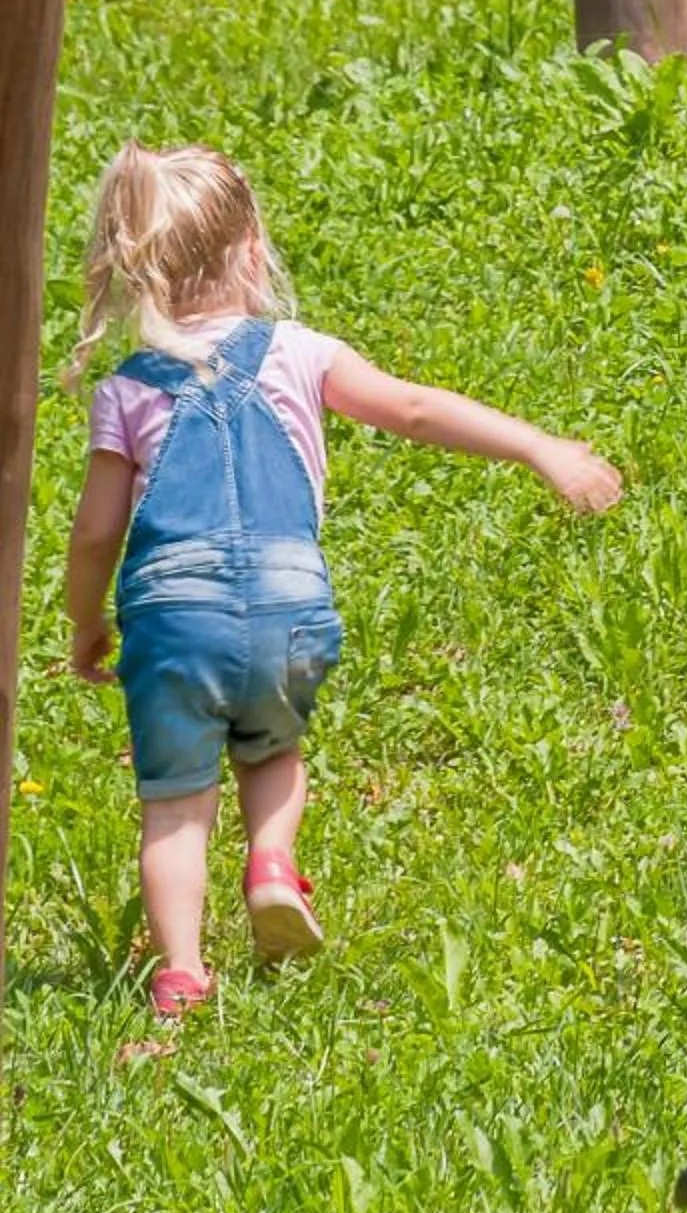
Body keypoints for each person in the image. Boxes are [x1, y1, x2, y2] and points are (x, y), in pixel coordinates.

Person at [65, 141, 623, 1019]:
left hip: (173, 614)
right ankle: (273, 865)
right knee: (272, 749)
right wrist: (538, 446)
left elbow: (97, 529)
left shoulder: (128, 390)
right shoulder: (299, 352)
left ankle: (179, 976)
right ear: (253, 250)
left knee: (174, 805)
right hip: (289, 603)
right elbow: (412, 407)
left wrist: (86, 623)